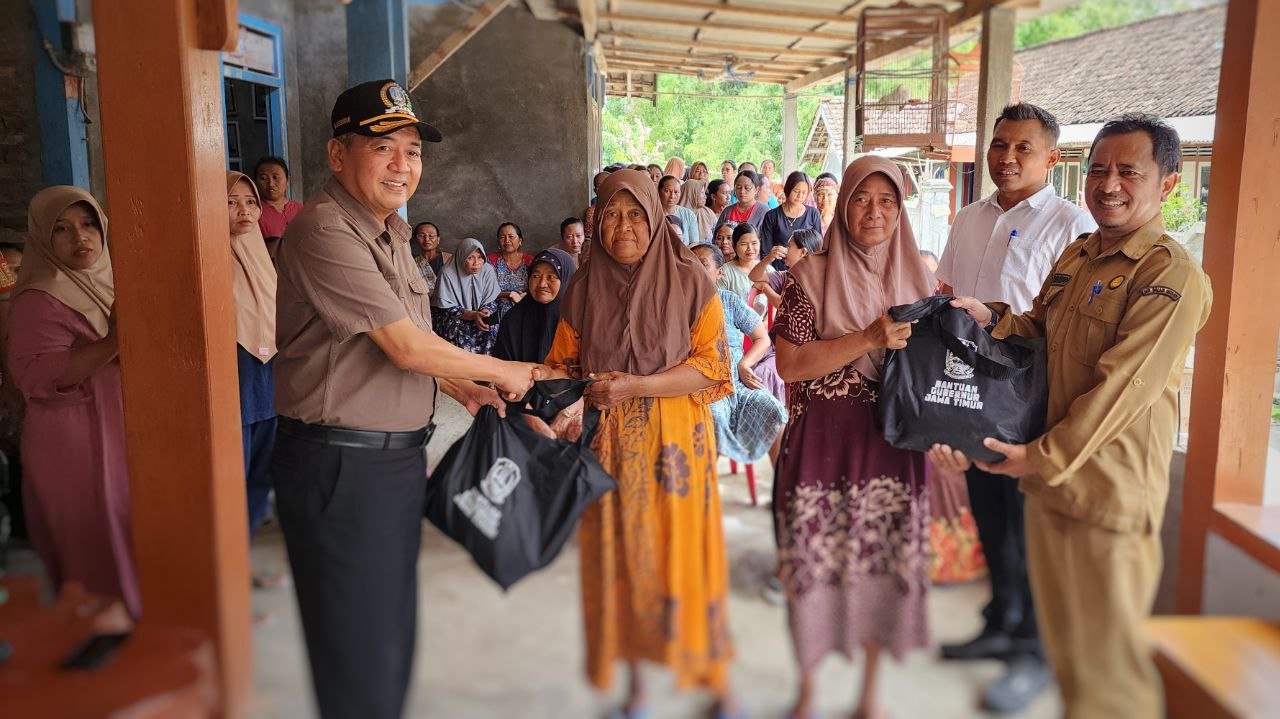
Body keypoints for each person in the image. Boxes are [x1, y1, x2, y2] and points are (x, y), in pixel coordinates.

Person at [270, 79, 538, 719]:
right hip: (340, 465)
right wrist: (505, 370)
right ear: (338, 154)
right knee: (355, 647)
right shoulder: (324, 231)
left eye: (413, 151)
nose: (403, 165)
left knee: (388, 632)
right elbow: (405, 348)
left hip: (390, 462)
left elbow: (410, 339)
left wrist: (463, 386)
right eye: (384, 147)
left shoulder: (390, 230)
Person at [932, 114, 1212, 719]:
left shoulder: (1170, 274)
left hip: (1104, 494)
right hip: (1049, 486)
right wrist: (991, 316)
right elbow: (1037, 331)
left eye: (1128, 172)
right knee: (1071, 661)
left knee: (1109, 673)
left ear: (1167, 184)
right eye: (1101, 170)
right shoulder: (1082, 254)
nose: (1109, 184)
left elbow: (1124, 387)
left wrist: (1040, 455)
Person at [542, 169, 740, 719]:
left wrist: (637, 385)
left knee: (685, 557)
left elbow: (713, 367)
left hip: (677, 444)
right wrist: (566, 404)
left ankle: (715, 680)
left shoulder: (692, 281)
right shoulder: (582, 287)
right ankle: (637, 690)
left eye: (635, 214)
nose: (623, 226)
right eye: (611, 214)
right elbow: (564, 366)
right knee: (623, 559)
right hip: (610, 450)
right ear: (596, 221)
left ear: (655, 218)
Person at [932, 103, 1098, 714]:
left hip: (1031, 389)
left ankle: (1032, 648)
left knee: (1028, 523)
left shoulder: (1073, 225)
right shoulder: (971, 217)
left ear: (1052, 158)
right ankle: (999, 621)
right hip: (969, 383)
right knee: (988, 510)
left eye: (1022, 148)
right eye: (999, 144)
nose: (1006, 157)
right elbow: (948, 293)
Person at [773, 156, 936, 719]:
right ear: (842, 206)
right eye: (862, 199)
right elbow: (791, 365)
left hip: (894, 444)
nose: (875, 212)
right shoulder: (808, 276)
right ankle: (809, 690)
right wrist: (866, 338)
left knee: (883, 566)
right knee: (812, 563)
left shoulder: (923, 283)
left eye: (887, 201)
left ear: (900, 210)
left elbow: (939, 372)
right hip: (822, 441)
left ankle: (870, 695)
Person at [8, 186, 140, 618]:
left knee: (127, 532)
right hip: (74, 442)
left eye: (87, 223)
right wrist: (112, 342)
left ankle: (136, 634)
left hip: (118, 431)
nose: (78, 236)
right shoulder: (37, 299)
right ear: (43, 239)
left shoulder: (114, 279)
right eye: (61, 229)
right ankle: (102, 646)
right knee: (94, 549)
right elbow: (36, 377)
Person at [225, 171, 285, 597]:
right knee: (231, 479)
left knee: (259, 479)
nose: (244, 210)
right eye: (231, 202)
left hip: (268, 375)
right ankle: (225, 579)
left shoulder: (260, 252)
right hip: (235, 377)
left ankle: (239, 568)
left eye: (249, 202)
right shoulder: (208, 254)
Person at [692, 243, 787, 465]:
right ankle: (706, 492)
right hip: (704, 388)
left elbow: (761, 338)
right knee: (712, 420)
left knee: (774, 411)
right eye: (691, 264)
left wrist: (745, 365)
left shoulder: (729, 300)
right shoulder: (679, 306)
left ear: (719, 272)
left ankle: (780, 486)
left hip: (738, 383)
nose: (695, 269)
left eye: (703, 264)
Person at [493, 247, 577, 364]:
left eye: (551, 277)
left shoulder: (579, 321)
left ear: (567, 280)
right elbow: (502, 368)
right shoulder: (514, 319)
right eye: (535, 276)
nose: (542, 284)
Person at [434, 237, 501, 354]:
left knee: (491, 327)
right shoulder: (447, 273)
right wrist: (472, 315)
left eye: (480, 257)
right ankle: (464, 367)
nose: (476, 263)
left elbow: (491, 300)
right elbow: (447, 308)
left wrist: (485, 312)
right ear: (461, 257)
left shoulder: (488, 270)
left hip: (479, 314)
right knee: (457, 329)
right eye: (470, 258)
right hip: (455, 316)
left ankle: (486, 364)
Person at [759, 172, 822, 271]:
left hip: (805, 271)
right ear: (788, 189)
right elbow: (765, 251)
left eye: (804, 192)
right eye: (796, 191)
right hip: (777, 270)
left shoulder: (813, 213)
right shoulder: (772, 215)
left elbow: (817, 249)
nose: (800, 196)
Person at [749, 227, 822, 310]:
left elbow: (785, 304)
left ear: (803, 252)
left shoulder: (817, 281)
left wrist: (765, 287)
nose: (785, 250)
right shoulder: (786, 276)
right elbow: (753, 276)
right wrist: (768, 258)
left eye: (789, 246)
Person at [254, 156, 304, 260]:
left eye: (275, 177)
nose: (270, 184)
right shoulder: (253, 212)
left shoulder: (301, 210)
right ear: (255, 182)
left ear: (287, 180)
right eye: (263, 178)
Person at [488, 222, 534, 323]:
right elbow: (485, 291)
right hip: (496, 310)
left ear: (520, 241)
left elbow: (536, 287)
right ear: (498, 242)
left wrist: (526, 295)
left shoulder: (530, 261)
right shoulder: (491, 260)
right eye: (502, 237)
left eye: (511, 236)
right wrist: (509, 294)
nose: (507, 241)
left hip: (525, 306)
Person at [718, 223, 766, 300]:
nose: (749, 248)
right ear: (734, 246)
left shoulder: (768, 270)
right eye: (744, 244)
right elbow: (721, 303)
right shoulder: (725, 272)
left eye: (754, 243)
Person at [659, 175, 700, 246]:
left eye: (676, 192)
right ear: (659, 191)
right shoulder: (653, 213)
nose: (672, 196)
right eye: (667, 191)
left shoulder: (688, 214)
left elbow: (694, 243)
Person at [412, 221, 448, 293]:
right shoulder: (412, 263)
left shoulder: (449, 259)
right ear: (416, 240)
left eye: (431, 236)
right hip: (423, 302)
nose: (427, 240)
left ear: (438, 239)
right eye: (421, 236)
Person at [679, 178, 715, 245]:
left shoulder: (708, 212)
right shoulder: (677, 214)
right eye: (701, 193)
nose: (705, 197)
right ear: (690, 194)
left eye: (704, 193)